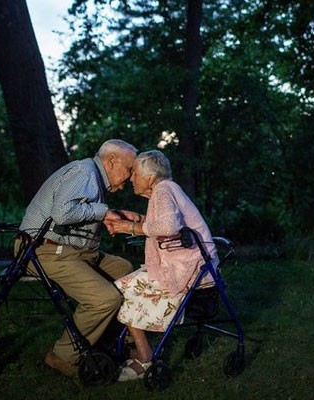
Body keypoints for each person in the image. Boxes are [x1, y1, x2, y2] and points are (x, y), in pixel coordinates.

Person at [18, 139, 138, 376]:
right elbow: (62, 213)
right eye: (129, 168)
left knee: (123, 269)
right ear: (112, 160)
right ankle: (63, 356)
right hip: (44, 251)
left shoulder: (92, 177)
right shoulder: (85, 172)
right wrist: (104, 212)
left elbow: (79, 214)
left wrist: (117, 216)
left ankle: (108, 338)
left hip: (75, 252)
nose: (131, 175)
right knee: (105, 299)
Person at [103, 150, 218, 382]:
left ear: (150, 177)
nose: (131, 178)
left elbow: (167, 227)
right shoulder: (167, 189)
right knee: (125, 286)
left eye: (135, 173)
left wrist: (128, 228)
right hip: (193, 267)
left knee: (119, 290)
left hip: (188, 272)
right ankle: (139, 347)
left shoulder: (163, 190)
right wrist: (133, 219)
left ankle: (144, 356)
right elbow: (161, 222)